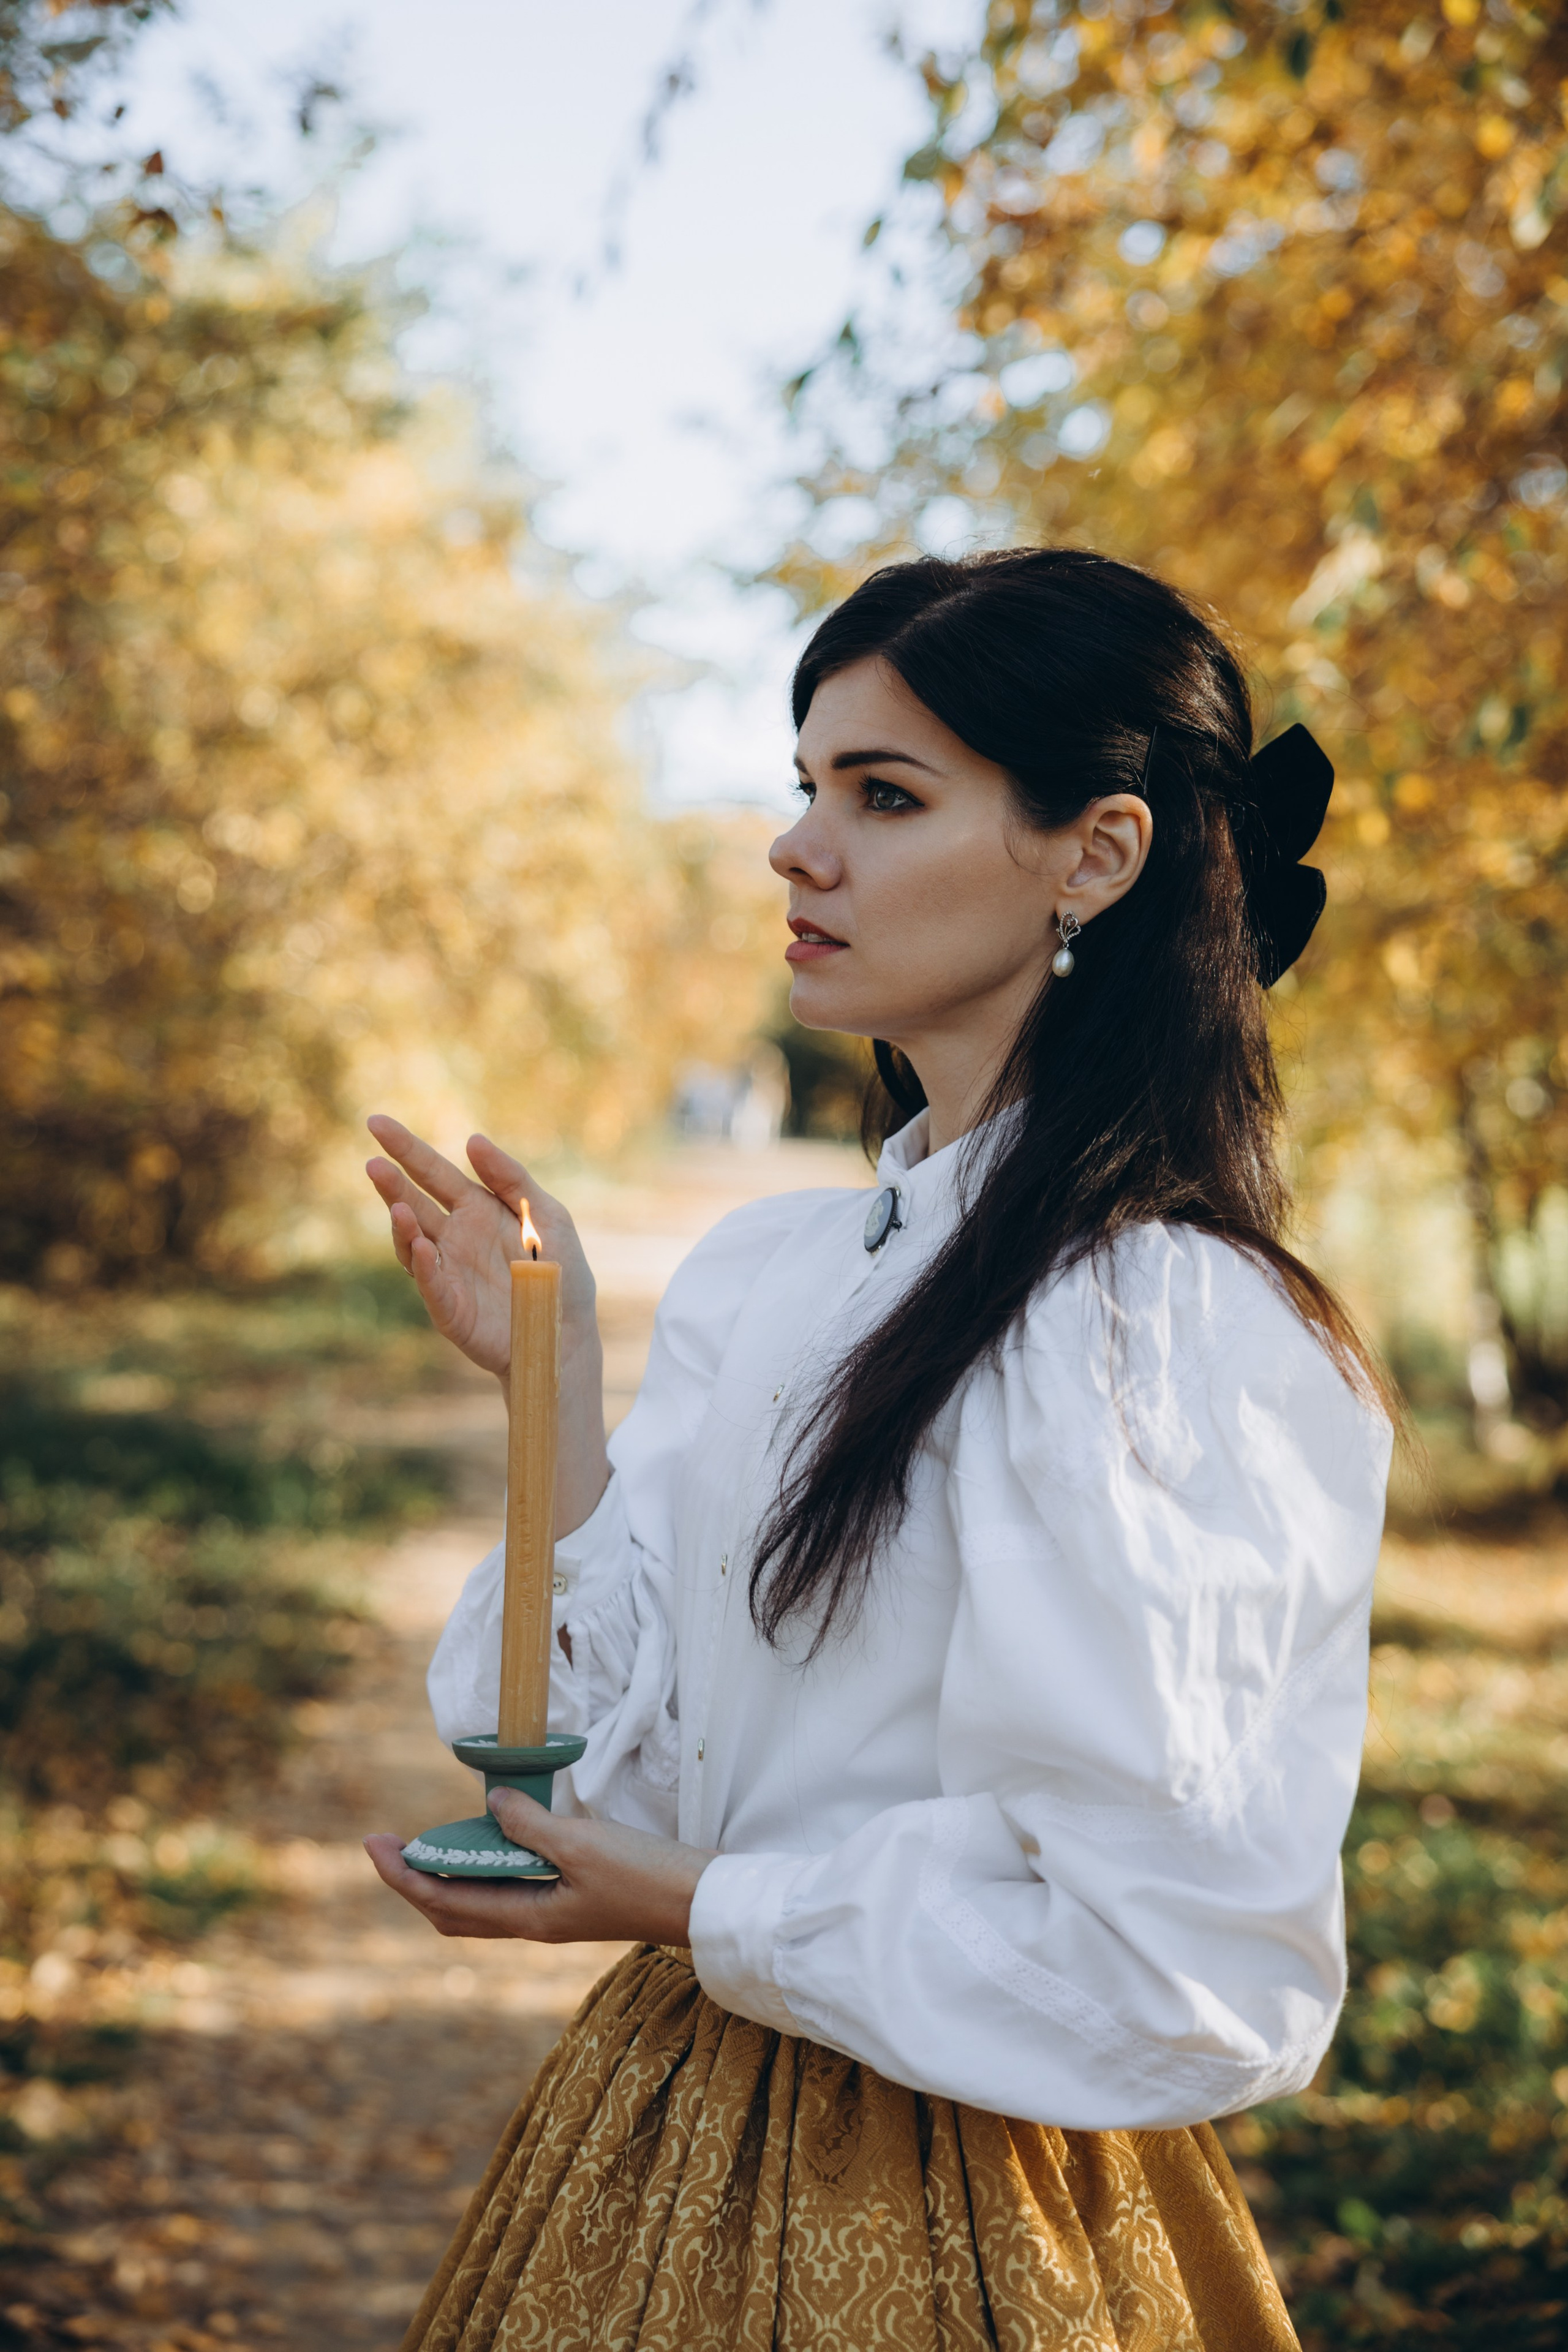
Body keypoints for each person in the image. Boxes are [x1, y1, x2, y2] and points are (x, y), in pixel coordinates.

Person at [363, 549, 1392, 2352]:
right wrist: (557, 1399)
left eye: (886, 796)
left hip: (976, 2207)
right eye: (806, 787)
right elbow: (633, 1780)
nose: (796, 849)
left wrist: (700, 1908)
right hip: (664, 2137)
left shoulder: (1160, 1328)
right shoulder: (782, 1265)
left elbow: (1182, 1964)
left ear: (1099, 853)